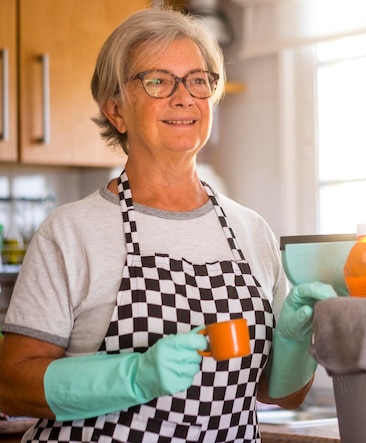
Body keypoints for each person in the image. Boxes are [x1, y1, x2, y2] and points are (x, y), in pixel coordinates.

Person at [0, 7, 336, 442]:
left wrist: (293, 343)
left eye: (198, 80)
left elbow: (278, 394)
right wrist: (134, 375)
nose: (184, 97)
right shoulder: (72, 231)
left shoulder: (251, 231)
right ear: (116, 110)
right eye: (158, 81)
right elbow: (11, 384)